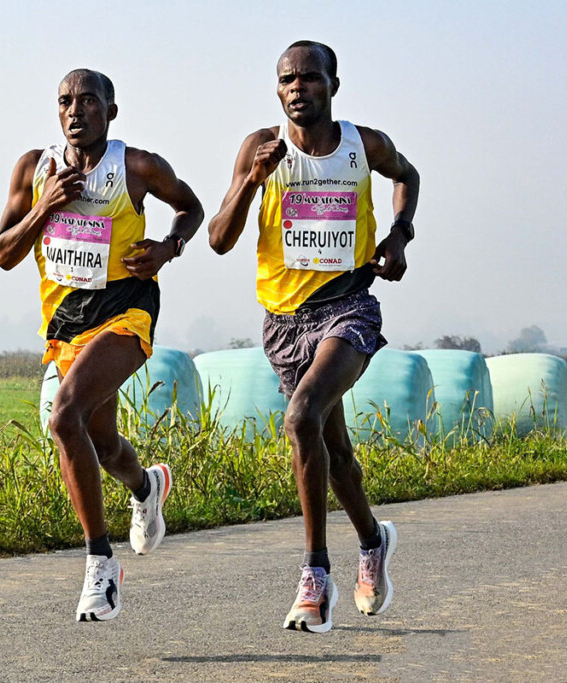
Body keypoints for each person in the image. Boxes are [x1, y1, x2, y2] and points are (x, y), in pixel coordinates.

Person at [207, 41, 420, 633]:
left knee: (302, 417)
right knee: (338, 453)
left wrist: (400, 234)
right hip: (285, 323)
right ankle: (373, 541)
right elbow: (220, 238)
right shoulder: (260, 148)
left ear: (333, 84)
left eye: (309, 78)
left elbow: (408, 176)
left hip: (348, 307)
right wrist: (253, 180)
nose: (297, 87)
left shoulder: (362, 145)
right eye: (286, 80)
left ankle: (315, 574)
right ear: (277, 90)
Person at [0, 69, 203, 622]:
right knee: (103, 443)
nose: (75, 111)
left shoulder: (137, 166)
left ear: (111, 112)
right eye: (65, 101)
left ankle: (100, 563)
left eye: (88, 101)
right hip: (65, 323)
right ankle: (147, 485)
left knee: (65, 419)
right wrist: (46, 207)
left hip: (127, 310)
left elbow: (191, 207)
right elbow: (3, 252)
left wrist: (167, 248)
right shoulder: (34, 169)